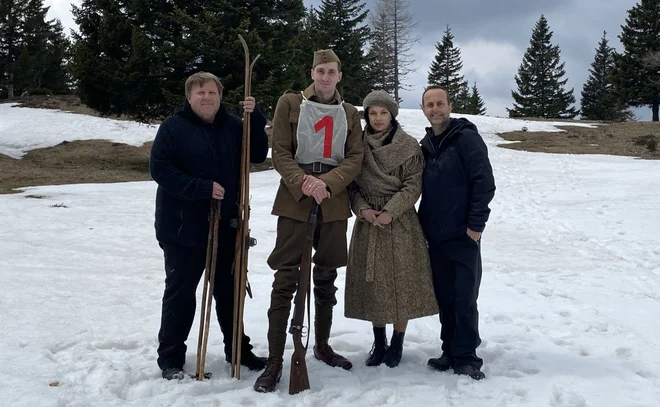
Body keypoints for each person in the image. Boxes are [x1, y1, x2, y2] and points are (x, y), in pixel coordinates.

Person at [253, 49, 364, 393]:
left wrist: (327, 183)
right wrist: (305, 182)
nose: (326, 77)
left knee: (326, 275)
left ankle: (322, 345)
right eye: (320, 71)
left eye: (332, 71)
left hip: (332, 202)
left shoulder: (349, 113)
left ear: (339, 76)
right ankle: (275, 359)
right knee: (286, 276)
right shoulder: (290, 103)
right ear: (312, 73)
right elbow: (281, 151)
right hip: (295, 199)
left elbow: (355, 157)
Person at [149, 71, 269, 380]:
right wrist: (200, 188)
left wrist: (254, 117)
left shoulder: (232, 126)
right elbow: (160, 169)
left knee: (230, 292)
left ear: (220, 96)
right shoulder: (173, 128)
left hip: (227, 225)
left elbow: (256, 154)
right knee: (181, 292)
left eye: (212, 92)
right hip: (182, 228)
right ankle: (171, 357)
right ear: (189, 97)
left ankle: (237, 351)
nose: (206, 97)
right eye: (200, 92)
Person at [344, 90, 438, 368]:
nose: (378, 118)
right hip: (368, 222)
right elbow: (351, 185)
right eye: (373, 113)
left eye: (383, 112)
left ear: (392, 115)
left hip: (400, 224)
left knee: (401, 286)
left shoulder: (408, 146)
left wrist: (390, 212)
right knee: (373, 286)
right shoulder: (356, 146)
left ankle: (397, 343)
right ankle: (380, 342)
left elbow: (413, 185)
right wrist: (362, 209)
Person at [418, 85, 496, 380]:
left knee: (465, 298)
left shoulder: (467, 139)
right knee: (445, 297)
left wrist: (475, 226)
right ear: (424, 109)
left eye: (440, 103)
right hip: (435, 237)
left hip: (464, 235)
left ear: (449, 106)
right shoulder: (426, 146)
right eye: (429, 104)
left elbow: (484, 183)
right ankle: (449, 351)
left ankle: (466, 357)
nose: (435, 109)